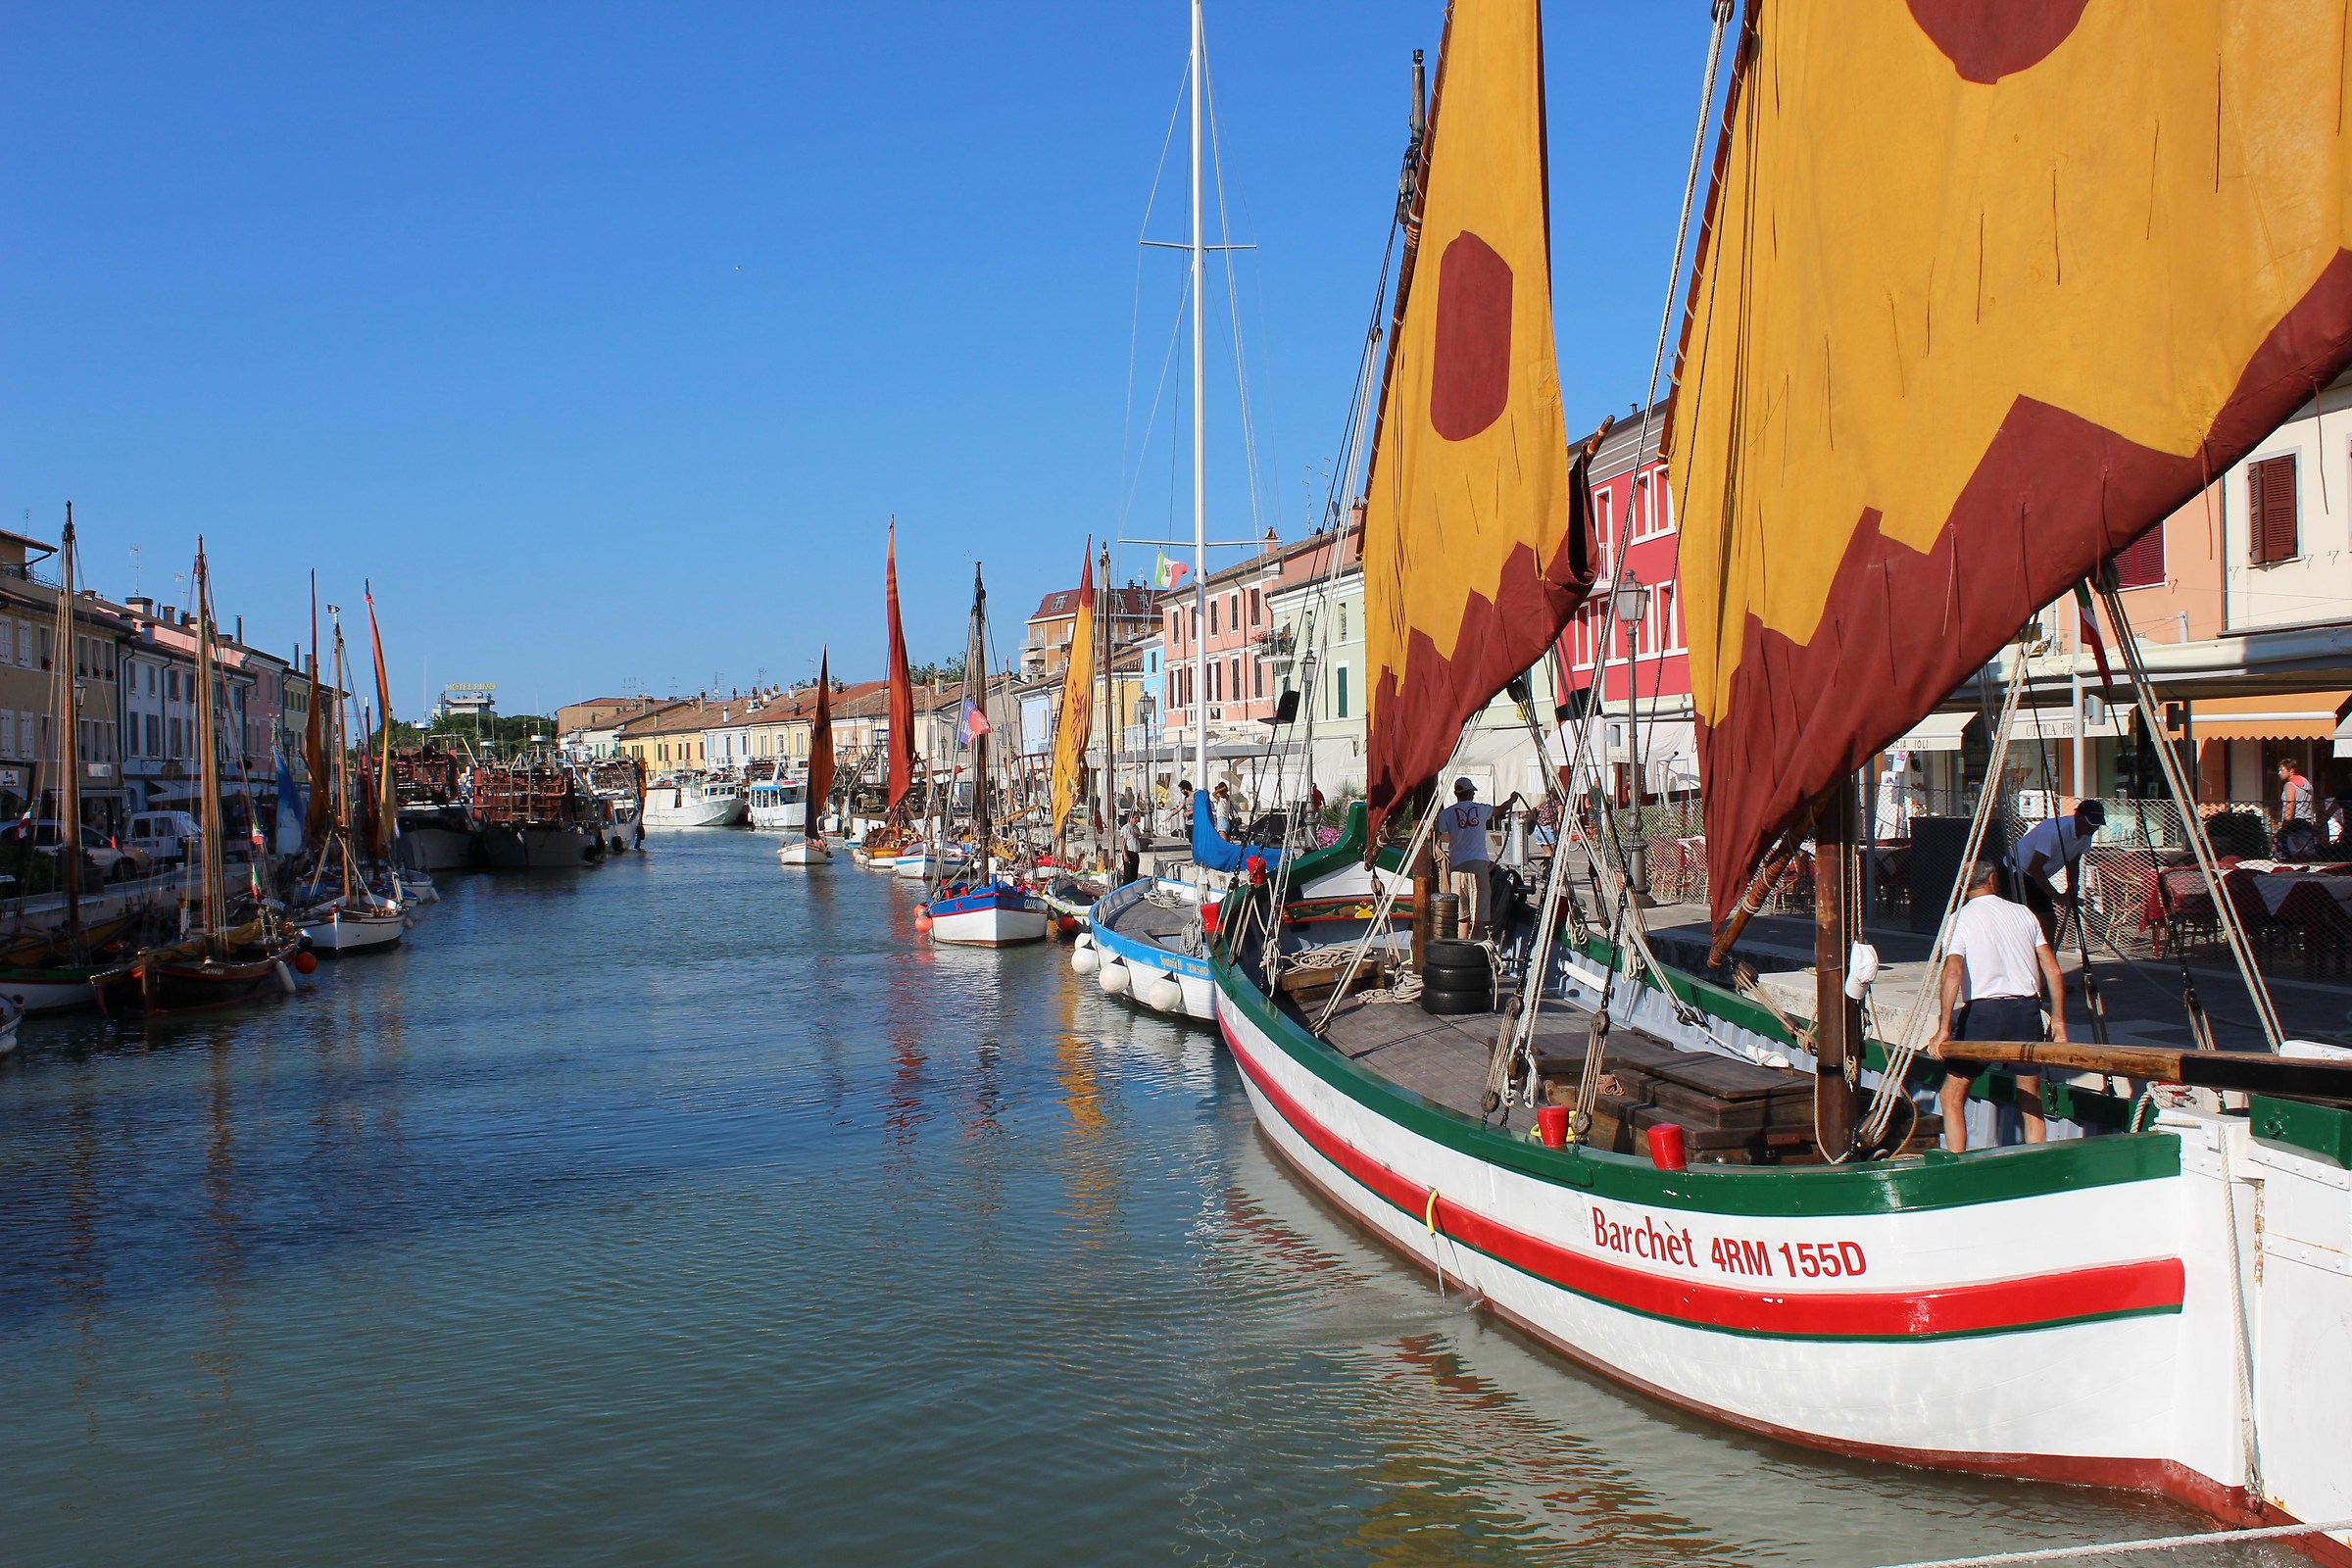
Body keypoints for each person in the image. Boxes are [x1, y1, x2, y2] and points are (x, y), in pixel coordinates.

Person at [1929, 858, 2063, 1153]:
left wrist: (1943, 1029)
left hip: (1983, 1014)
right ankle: (2038, 1160)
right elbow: (2052, 969)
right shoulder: (2024, 912)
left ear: (1963, 886)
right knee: (2030, 1096)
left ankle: (1957, 1161)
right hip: (2026, 1010)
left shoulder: (1959, 919)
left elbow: (1953, 972)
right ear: (1993, 880)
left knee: (1952, 1095)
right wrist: (2059, 1021)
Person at [2006, 798, 2105, 946]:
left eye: (2097, 824)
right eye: (2090, 823)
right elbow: (2035, 867)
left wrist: (2072, 885)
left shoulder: (2086, 835)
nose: (2093, 828)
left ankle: (2046, 956)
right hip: (2015, 872)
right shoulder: (2054, 831)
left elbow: (2073, 860)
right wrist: (2058, 897)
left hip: (2036, 876)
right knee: (2021, 921)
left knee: (2049, 921)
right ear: (2078, 816)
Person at [1438, 776, 1495, 940]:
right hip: (1477, 863)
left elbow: (1436, 833)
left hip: (1457, 865)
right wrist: (1511, 800)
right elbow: (1499, 810)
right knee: (1480, 912)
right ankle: (1475, 945)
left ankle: (1461, 943)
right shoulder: (1481, 809)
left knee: (1461, 912)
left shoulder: (1447, 814)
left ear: (1456, 794)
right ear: (1471, 793)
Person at [1118, 809, 1145, 886]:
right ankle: (1125, 888)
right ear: (1130, 818)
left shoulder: (1136, 828)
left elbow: (1141, 840)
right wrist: (1125, 855)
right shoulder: (1126, 828)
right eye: (1135, 818)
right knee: (1128, 875)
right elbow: (1122, 842)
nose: (1137, 820)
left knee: (1134, 874)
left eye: (1137, 818)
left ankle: (1133, 887)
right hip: (1128, 852)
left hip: (1135, 853)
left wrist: (1137, 836)